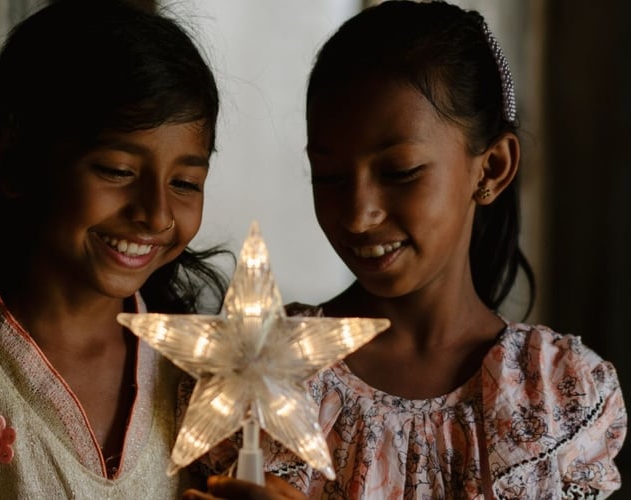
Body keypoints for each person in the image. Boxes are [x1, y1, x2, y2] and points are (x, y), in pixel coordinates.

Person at [185, 1, 626, 499]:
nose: (357, 215)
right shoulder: (258, 374)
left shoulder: (558, 394)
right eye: (328, 177)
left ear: (493, 167)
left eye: (400, 173)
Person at [0, 1, 231, 498]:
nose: (156, 214)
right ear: (14, 160)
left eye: (186, 182)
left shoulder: (200, 369)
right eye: (118, 171)